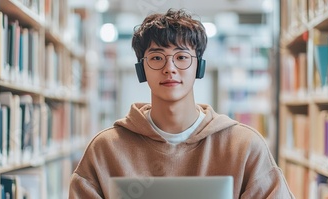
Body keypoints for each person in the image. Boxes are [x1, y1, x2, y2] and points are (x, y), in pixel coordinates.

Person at [69, 8, 294, 199]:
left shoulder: (244, 146)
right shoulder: (105, 149)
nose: (170, 68)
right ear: (141, 69)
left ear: (200, 67)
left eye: (182, 57)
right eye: (157, 57)